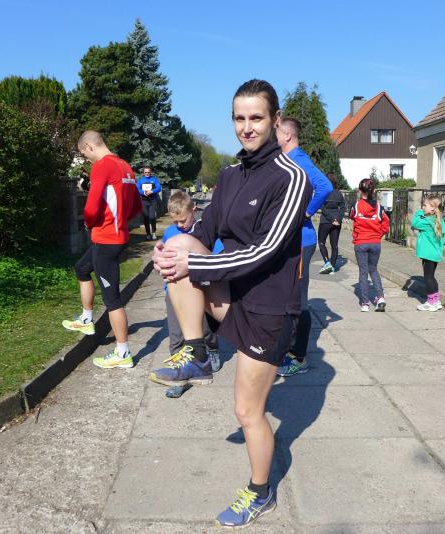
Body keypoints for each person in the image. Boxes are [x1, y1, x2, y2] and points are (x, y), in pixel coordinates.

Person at [149, 79, 311, 528]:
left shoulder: (291, 177)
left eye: (256, 117)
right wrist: (168, 252)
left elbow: (266, 250)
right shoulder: (229, 175)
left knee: (247, 411)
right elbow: (203, 233)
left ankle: (260, 493)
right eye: (239, 118)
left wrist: (197, 266)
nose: (247, 127)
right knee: (178, 244)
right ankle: (197, 353)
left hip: (269, 310)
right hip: (232, 295)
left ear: (275, 120)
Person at [61, 131, 142, 368]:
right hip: (115, 236)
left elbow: (91, 206)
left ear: (89, 146)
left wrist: (90, 223)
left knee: (112, 299)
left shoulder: (102, 166)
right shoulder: (125, 166)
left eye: (84, 154)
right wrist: (119, 221)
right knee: (81, 268)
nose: (87, 160)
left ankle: (123, 353)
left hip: (107, 239)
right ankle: (86, 319)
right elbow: (136, 207)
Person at [274, 117, 332, 378]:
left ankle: (298, 357)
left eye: (277, 132)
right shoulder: (286, 160)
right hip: (288, 241)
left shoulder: (299, 160)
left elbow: (325, 186)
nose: (273, 136)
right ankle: (285, 349)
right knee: (286, 296)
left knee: (299, 299)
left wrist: (306, 212)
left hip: (301, 241)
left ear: (287, 135)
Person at [161, 191, 222, 373]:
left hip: (202, 287)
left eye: (183, 220)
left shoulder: (206, 229)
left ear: (193, 210)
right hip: (174, 288)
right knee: (176, 330)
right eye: (175, 222)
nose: (180, 225)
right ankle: (179, 363)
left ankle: (212, 349)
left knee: (205, 327)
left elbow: (216, 257)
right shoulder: (170, 233)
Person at [349, 178, 389, 312]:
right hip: (375, 243)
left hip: (361, 242)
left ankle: (365, 303)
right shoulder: (379, 208)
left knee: (363, 272)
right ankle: (380, 297)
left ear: (360, 191)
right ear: (374, 191)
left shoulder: (356, 206)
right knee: (373, 269)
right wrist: (379, 234)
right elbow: (386, 224)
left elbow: (352, 216)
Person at [412, 194, 445, 312]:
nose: (422, 207)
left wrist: (418, 212)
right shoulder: (438, 220)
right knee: (431, 277)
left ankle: (431, 302)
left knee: (428, 278)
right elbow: (444, 238)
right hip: (435, 254)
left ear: (433, 208)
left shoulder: (427, 221)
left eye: (425, 205)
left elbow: (414, 223)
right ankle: (436, 301)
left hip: (428, 254)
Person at [318, 172, 346, 274]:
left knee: (321, 242)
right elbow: (343, 208)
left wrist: (331, 219)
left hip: (325, 221)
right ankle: (332, 267)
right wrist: (338, 219)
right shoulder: (339, 193)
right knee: (334, 245)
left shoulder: (324, 192)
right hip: (337, 222)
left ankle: (327, 263)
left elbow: (322, 207)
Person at [136, 166, 162, 240]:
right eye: (145, 172)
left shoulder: (154, 179)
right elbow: (137, 189)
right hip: (144, 201)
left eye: (148, 172)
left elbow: (159, 188)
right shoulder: (141, 180)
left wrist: (152, 191)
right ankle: (148, 234)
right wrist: (143, 192)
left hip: (152, 201)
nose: (147, 173)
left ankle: (154, 233)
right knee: (146, 217)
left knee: (152, 217)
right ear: (143, 173)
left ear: (150, 172)